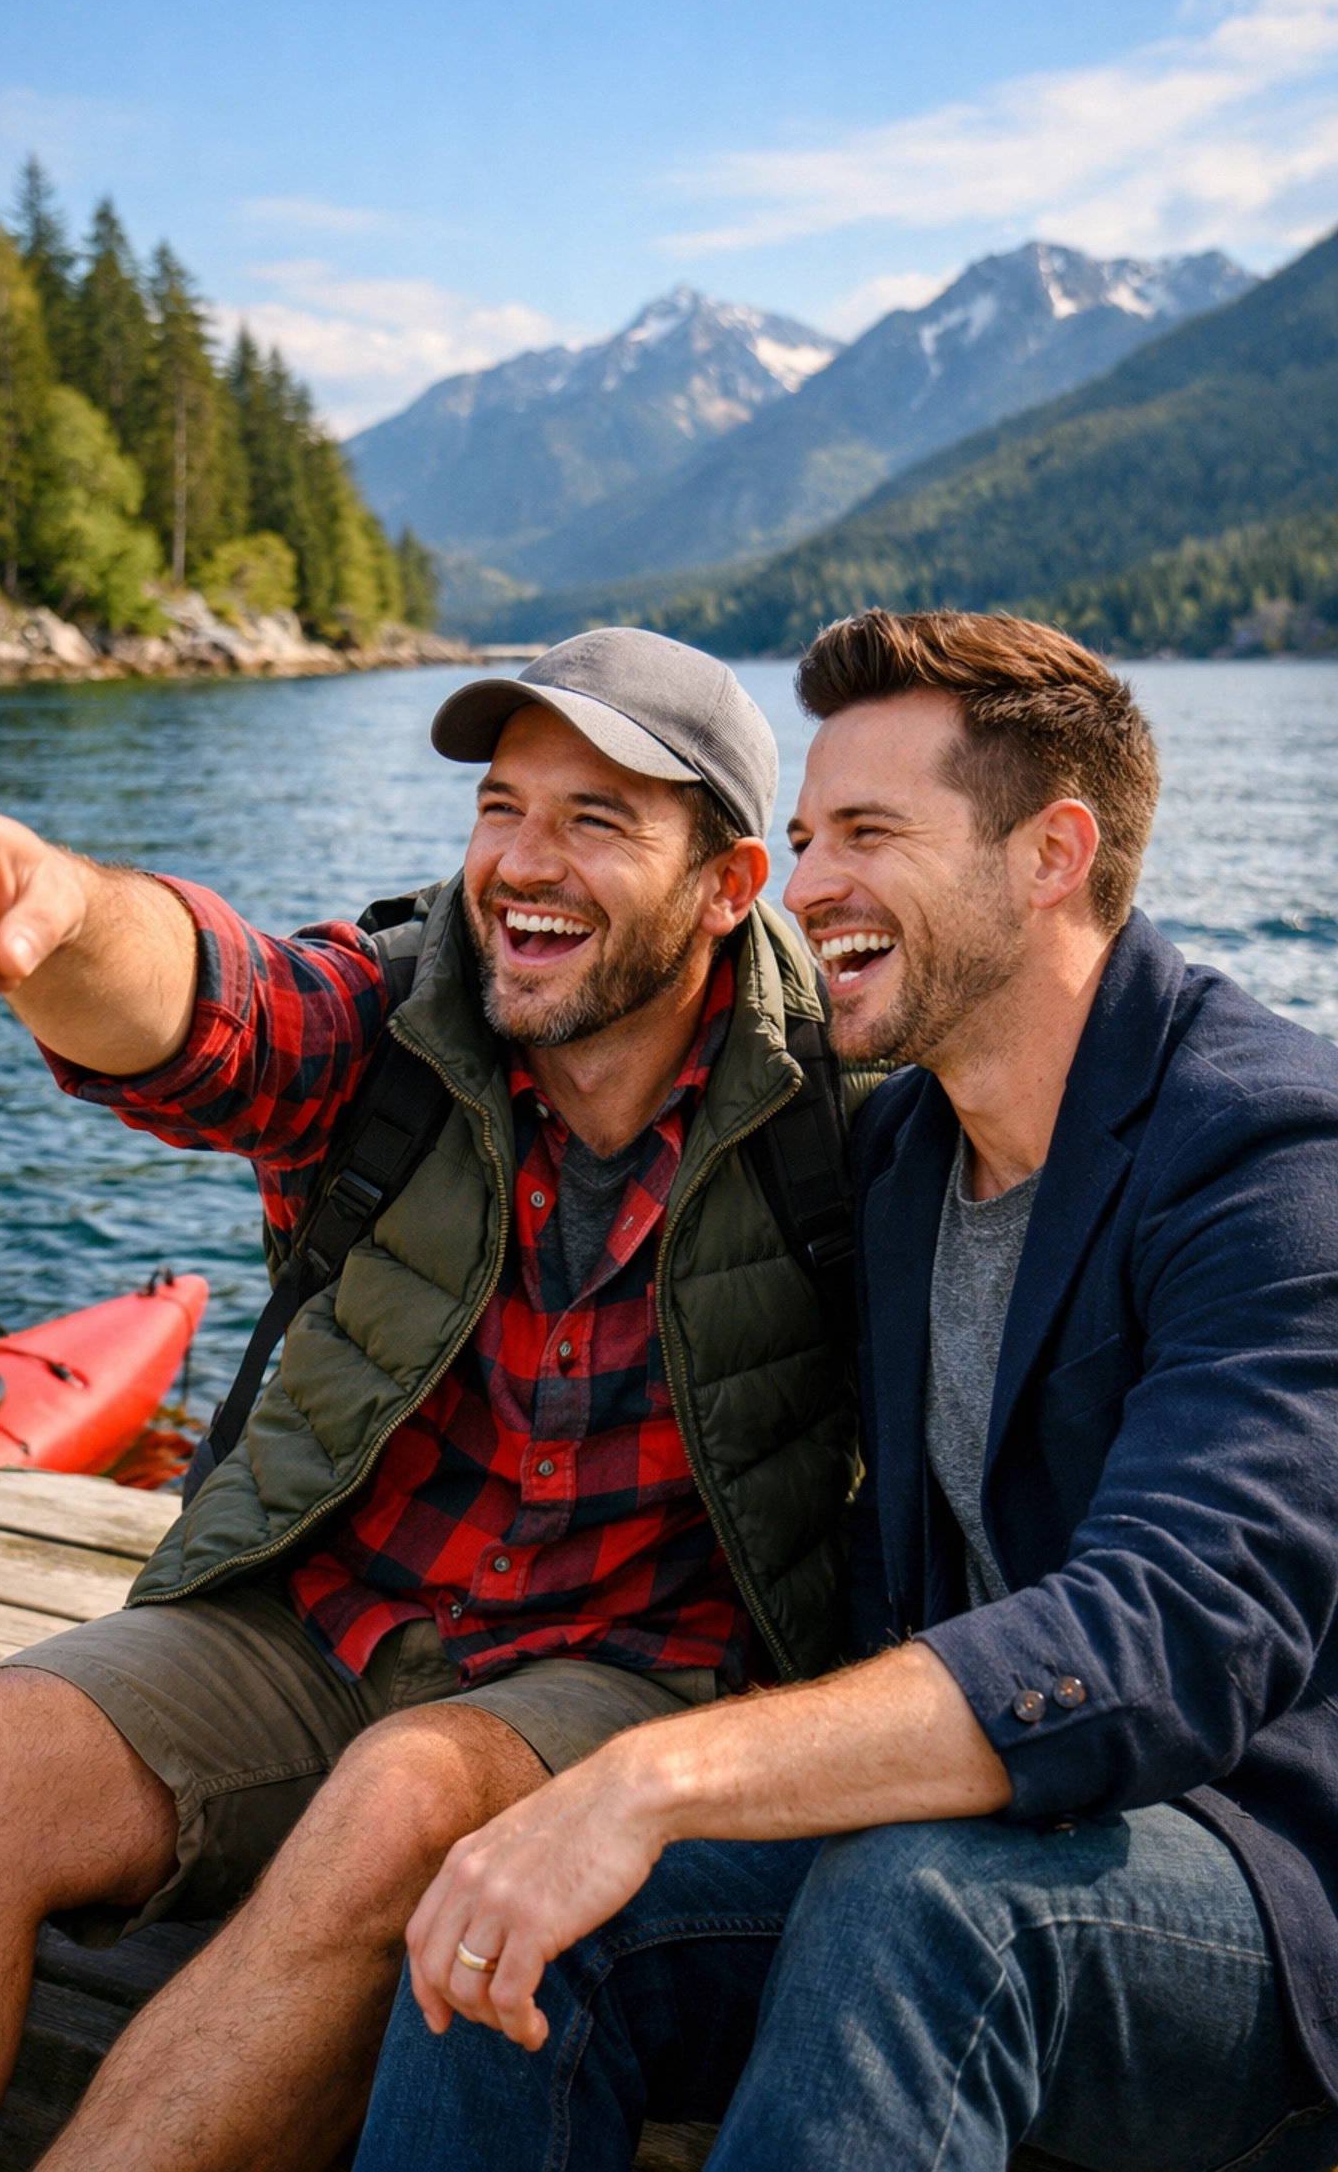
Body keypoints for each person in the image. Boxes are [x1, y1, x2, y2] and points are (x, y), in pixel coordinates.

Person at [0, 628, 863, 2172]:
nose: (523, 862)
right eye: (502, 806)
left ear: (730, 885)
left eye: (597, 819)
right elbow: (210, 1005)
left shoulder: (843, 1096)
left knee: (399, 1799)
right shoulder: (403, 1009)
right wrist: (44, 917)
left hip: (632, 1666)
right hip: (319, 1611)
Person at [354, 610, 1338, 2172]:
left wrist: (658, 1771)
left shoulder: (1270, 1158)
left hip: (1257, 1892)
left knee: (916, 1897)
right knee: (518, 1911)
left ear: (1052, 853)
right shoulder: (895, 1156)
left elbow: (1179, 1626)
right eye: (805, 837)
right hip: (968, 1837)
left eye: (868, 833)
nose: (807, 889)